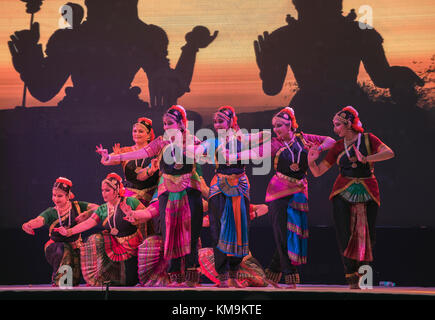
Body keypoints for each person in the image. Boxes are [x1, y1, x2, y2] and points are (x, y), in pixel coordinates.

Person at [97, 105, 205, 287]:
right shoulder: (160, 141)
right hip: (167, 192)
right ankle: (175, 275)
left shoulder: (193, 141)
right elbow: (138, 153)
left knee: (191, 234)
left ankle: (191, 274)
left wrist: (182, 144)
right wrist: (111, 158)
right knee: (170, 233)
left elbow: (202, 156)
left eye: (170, 123)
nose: (166, 127)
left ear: (181, 123)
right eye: (164, 123)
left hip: (189, 189)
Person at [308, 106, 394, 289]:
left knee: (367, 235)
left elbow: (389, 153)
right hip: (342, 192)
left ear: (348, 124)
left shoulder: (368, 139)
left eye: (338, 125)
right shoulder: (338, 147)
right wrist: (311, 161)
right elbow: (319, 172)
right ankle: (352, 278)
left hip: (368, 190)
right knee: (344, 234)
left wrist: (367, 159)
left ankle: (366, 279)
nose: (335, 129)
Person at [186, 106, 267, 288]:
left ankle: (233, 275)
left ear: (231, 121)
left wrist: (243, 138)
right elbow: (194, 152)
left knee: (240, 230)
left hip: (240, 186)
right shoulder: (213, 142)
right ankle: (222, 276)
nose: (217, 124)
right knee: (218, 229)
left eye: (221, 121)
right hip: (218, 187)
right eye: (215, 121)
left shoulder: (243, 139)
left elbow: (265, 137)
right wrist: (193, 144)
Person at [261, 107, 335, 288]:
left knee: (294, 233)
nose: (276, 129)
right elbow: (258, 153)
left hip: (299, 190)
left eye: (280, 125)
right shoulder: (275, 143)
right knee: (281, 233)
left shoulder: (304, 138)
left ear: (290, 125)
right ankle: (289, 275)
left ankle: (271, 273)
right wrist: (237, 153)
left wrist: (318, 148)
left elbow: (331, 141)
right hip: (278, 191)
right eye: (274, 126)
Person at [56, 173, 146, 286]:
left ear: (116, 190)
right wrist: (69, 232)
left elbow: (146, 216)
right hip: (115, 243)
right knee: (94, 239)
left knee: (129, 280)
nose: (104, 193)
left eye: (107, 190)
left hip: (132, 244)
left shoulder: (131, 202)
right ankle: (100, 279)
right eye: (102, 190)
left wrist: (135, 217)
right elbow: (89, 223)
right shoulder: (103, 209)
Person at [22, 177, 98, 286]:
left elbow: (97, 208)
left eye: (60, 196)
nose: (56, 199)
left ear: (68, 196)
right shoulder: (51, 212)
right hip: (56, 248)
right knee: (63, 250)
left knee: (73, 280)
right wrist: (28, 224)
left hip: (76, 247)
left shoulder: (77, 206)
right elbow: (39, 220)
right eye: (54, 195)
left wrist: (87, 214)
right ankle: (58, 281)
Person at [97, 117, 159, 238]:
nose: (137, 134)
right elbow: (107, 161)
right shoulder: (126, 151)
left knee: (152, 229)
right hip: (130, 195)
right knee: (127, 222)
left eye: (141, 131)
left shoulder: (155, 152)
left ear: (148, 135)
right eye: (135, 131)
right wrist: (105, 156)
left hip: (151, 194)